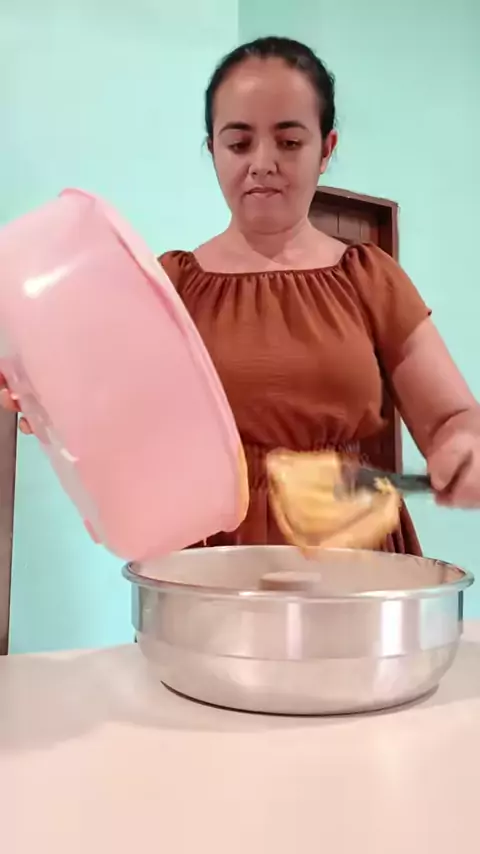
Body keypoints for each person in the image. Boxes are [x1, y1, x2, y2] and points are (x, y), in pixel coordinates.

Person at [2, 36, 480, 554]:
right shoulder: (169, 284)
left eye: (289, 142)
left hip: (353, 561)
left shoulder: (369, 277)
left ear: (326, 150)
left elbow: (453, 417)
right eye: (239, 143)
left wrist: (464, 447)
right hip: (209, 559)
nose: (263, 163)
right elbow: (113, 418)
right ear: (213, 150)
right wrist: (45, 398)